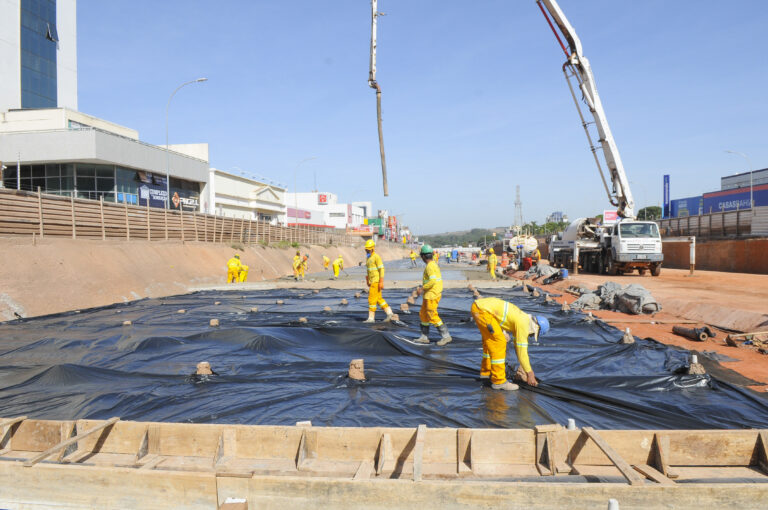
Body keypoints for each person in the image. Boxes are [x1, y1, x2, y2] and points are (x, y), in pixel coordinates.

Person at [470, 297, 550, 390]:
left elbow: (517, 346)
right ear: (536, 328)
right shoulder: (524, 324)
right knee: (499, 342)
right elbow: (522, 353)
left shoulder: (523, 318)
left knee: (490, 341)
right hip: (483, 311)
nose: (530, 336)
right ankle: (499, 382)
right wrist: (530, 373)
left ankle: (486, 372)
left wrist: (503, 332)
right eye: (532, 334)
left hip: (480, 307)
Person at [415, 244, 451, 345]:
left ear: (423, 256)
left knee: (432, 315)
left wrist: (422, 288)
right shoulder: (433, 264)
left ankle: (446, 336)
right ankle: (424, 337)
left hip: (432, 295)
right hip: (429, 294)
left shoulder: (430, 267)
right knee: (423, 314)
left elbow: (432, 281)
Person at [363, 239, 395, 323]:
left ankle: (371, 318)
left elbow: (381, 269)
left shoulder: (376, 257)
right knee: (378, 299)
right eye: (366, 249)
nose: (367, 251)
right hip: (372, 281)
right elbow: (369, 270)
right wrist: (368, 280)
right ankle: (389, 313)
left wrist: (381, 281)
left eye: (368, 249)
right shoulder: (368, 258)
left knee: (371, 299)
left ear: (372, 248)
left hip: (376, 281)